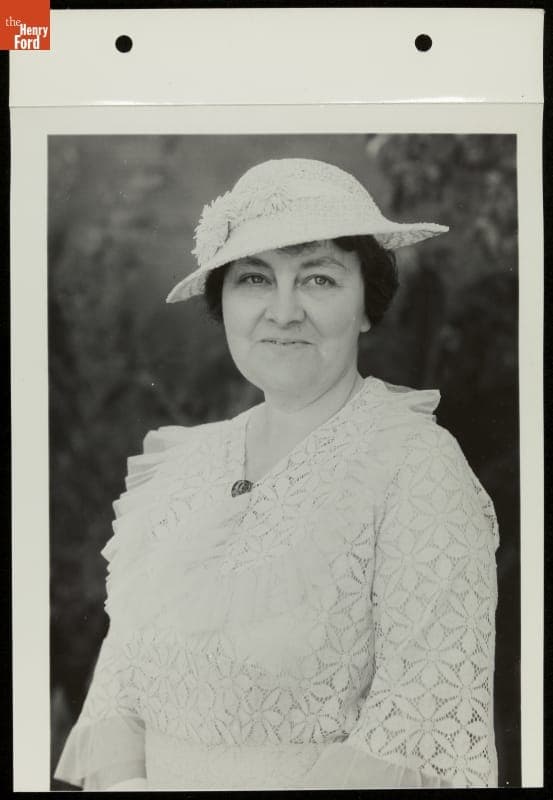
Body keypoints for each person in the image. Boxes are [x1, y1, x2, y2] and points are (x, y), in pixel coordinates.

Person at [54, 158, 499, 790]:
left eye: (318, 279)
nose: (283, 312)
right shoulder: (180, 468)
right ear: (224, 304)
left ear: (367, 306)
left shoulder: (415, 469)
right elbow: (121, 687)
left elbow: (418, 723)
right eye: (255, 279)